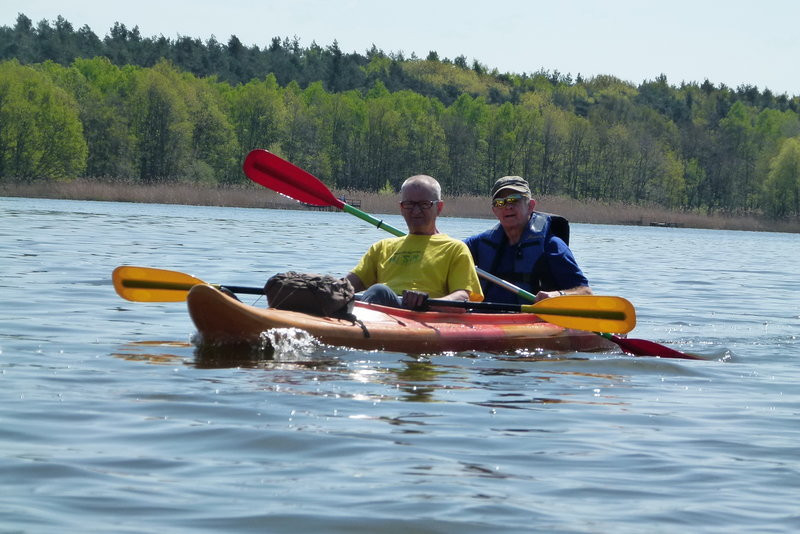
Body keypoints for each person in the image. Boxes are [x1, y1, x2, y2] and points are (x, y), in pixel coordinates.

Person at [345, 175, 483, 310]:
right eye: (409, 204)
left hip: (424, 315)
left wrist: (426, 302)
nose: (416, 211)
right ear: (401, 207)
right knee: (364, 292)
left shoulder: (455, 248)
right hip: (383, 310)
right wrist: (333, 287)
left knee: (379, 291)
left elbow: (462, 297)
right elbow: (346, 286)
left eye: (424, 204)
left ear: (439, 207)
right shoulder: (381, 247)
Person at [464, 176, 591, 304]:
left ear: (530, 205)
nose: (507, 207)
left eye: (514, 200)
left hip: (534, 315)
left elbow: (586, 293)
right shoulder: (479, 244)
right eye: (500, 203)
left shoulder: (552, 246)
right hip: (487, 315)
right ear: (494, 210)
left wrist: (558, 295)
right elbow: (452, 251)